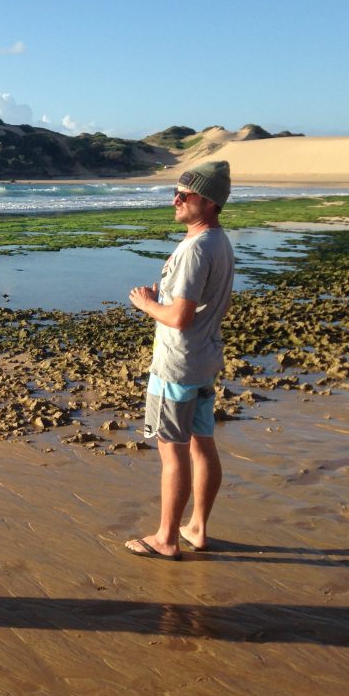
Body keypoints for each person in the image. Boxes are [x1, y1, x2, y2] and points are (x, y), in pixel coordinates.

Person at [124, 161, 235, 561]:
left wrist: (147, 303)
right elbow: (192, 303)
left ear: (207, 202)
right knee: (202, 445)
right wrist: (164, 299)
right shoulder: (219, 242)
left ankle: (165, 538)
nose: (175, 200)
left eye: (183, 196)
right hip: (203, 360)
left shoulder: (196, 248)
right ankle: (198, 528)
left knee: (172, 451)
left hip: (178, 365)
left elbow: (179, 318)